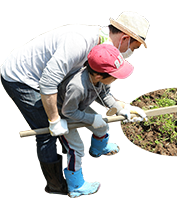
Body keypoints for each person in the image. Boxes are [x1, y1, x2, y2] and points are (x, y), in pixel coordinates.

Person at [0, 11, 150, 194]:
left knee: (69, 123)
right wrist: (55, 120)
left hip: (52, 82)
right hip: (22, 78)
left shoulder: (103, 49)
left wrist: (121, 106)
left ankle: (83, 150)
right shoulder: (79, 42)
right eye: (133, 49)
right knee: (47, 133)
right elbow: (48, 82)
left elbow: (99, 87)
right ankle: (58, 185)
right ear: (125, 38)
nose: (130, 54)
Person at [57, 43, 147, 198]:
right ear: (99, 75)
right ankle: (75, 184)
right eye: (114, 75)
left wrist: (120, 108)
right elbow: (68, 111)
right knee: (77, 147)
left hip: (80, 107)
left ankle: (98, 149)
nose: (116, 79)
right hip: (63, 115)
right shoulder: (77, 87)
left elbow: (104, 94)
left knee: (102, 125)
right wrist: (91, 119)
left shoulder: (99, 78)